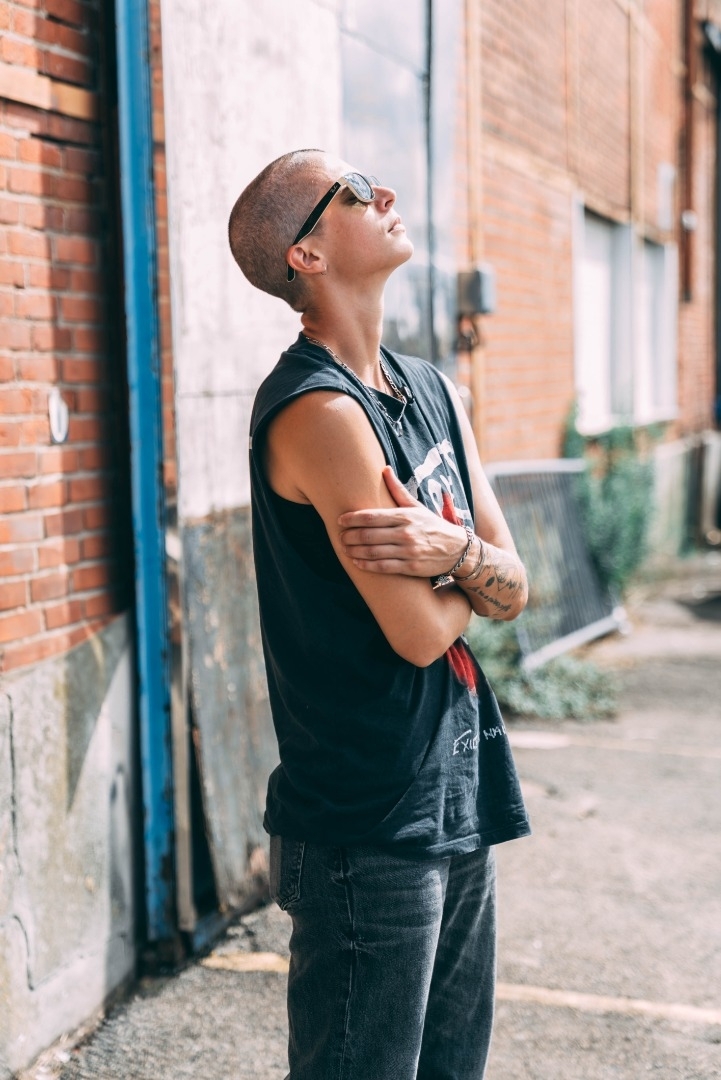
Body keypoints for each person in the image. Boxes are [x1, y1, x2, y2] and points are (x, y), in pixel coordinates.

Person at [228, 149, 531, 1080]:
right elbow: (421, 632)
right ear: (307, 255)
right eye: (356, 192)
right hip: (365, 820)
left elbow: (515, 586)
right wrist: (472, 567)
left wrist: (452, 557)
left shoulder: (434, 391)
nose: (386, 193)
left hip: (453, 787)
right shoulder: (318, 412)